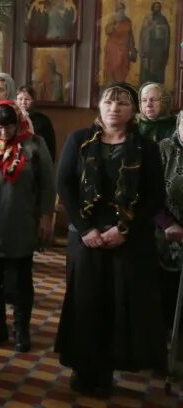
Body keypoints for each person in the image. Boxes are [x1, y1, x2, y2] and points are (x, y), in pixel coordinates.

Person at [55, 83, 166, 398]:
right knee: (86, 303)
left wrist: (124, 229)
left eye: (122, 103)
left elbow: (155, 197)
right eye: (108, 102)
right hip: (86, 237)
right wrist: (85, 227)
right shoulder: (79, 140)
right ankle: (84, 368)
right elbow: (64, 185)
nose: (114, 108)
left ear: (132, 111)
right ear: (99, 106)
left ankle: (106, 370)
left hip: (127, 240)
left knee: (117, 306)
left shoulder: (147, 148)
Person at [0, 101, 55, 352]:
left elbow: (48, 185)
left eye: (9, 127)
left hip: (21, 222)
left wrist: (45, 216)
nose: (4, 133)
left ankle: (21, 329)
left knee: (21, 280)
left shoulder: (35, 145)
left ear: (18, 123)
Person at [157, 110, 183, 333]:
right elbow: (150, 194)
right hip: (166, 234)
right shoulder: (165, 148)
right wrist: (167, 223)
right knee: (167, 294)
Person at [15, 85, 56, 160]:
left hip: (36, 159)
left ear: (33, 101)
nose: (23, 102)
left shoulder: (43, 120)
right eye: (20, 99)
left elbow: (50, 145)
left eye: (27, 99)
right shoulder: (12, 117)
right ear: (16, 100)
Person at [103, 1, 136, 84]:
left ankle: (121, 84)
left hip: (124, 48)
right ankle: (113, 84)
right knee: (114, 67)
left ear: (124, 10)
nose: (120, 11)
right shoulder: (112, 20)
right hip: (112, 49)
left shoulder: (128, 21)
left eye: (121, 9)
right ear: (116, 11)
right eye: (118, 9)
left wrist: (132, 48)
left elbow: (130, 36)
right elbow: (108, 30)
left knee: (123, 67)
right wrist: (114, 24)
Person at [140, 1, 171, 84]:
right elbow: (144, 33)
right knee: (148, 66)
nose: (157, 8)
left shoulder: (163, 19)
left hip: (159, 47)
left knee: (158, 67)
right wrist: (151, 28)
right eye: (156, 7)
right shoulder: (148, 18)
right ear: (152, 8)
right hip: (149, 47)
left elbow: (167, 33)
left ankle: (157, 84)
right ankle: (147, 83)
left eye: (159, 7)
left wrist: (162, 29)